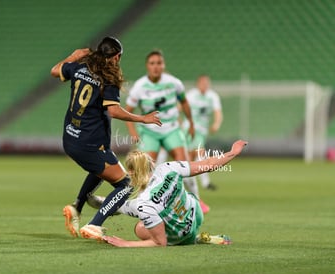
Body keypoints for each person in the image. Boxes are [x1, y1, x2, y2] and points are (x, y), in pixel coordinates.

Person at [50, 37, 161, 240]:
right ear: (116, 56)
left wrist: (72, 56)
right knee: (126, 184)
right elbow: (114, 111)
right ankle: (94, 225)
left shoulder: (78, 67)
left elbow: (55, 71)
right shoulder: (108, 78)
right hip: (89, 145)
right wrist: (142, 118)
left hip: (70, 139)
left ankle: (77, 207)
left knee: (100, 169)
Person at [102, 140, 247, 247]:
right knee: (179, 201)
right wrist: (232, 152)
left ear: (131, 172)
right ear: (150, 163)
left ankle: (194, 239)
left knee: (140, 228)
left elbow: (160, 243)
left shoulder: (142, 203)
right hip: (196, 215)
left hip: (181, 236)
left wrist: (126, 243)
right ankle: (200, 236)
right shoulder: (168, 167)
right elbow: (207, 165)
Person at [125, 50, 210, 213]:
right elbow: (128, 110)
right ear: (147, 66)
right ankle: (145, 204)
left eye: (159, 63)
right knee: (145, 168)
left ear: (163, 65)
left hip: (171, 129)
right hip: (150, 131)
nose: (156, 66)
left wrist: (191, 122)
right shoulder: (140, 86)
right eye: (152, 63)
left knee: (185, 165)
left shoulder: (174, 82)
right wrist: (132, 131)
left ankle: (196, 201)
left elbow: (184, 102)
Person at [183, 75, 223, 190]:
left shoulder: (212, 96)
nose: (205, 85)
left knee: (197, 154)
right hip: (189, 128)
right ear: (198, 83)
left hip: (202, 130)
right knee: (194, 154)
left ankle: (191, 179)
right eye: (203, 83)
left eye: (207, 83)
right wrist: (179, 122)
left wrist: (216, 124)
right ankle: (202, 182)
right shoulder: (191, 95)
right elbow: (180, 108)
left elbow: (218, 112)